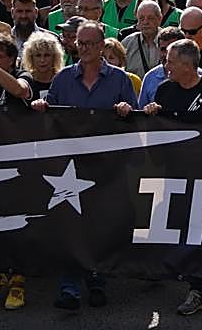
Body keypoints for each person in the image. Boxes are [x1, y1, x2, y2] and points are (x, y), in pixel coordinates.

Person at [31, 20, 136, 311]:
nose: (84, 48)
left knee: (99, 224)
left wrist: (127, 112)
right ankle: (69, 285)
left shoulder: (119, 80)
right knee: (70, 225)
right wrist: (43, 108)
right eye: (80, 42)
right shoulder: (63, 79)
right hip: (69, 167)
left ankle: (97, 279)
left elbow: (137, 122)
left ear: (103, 46)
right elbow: (50, 118)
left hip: (106, 168)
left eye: (90, 43)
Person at [142, 38, 202, 316]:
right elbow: (157, 132)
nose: (166, 65)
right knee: (189, 231)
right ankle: (195, 288)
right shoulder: (164, 91)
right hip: (178, 175)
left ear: (187, 65)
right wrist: (150, 115)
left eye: (170, 61)